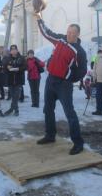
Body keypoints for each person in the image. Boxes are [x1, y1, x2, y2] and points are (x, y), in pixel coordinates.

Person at [33, 11, 87, 155]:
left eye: (72, 33)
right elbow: (47, 33)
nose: (69, 35)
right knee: (48, 110)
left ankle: (78, 143)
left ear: (77, 35)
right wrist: (39, 19)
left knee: (70, 113)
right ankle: (50, 135)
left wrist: (69, 77)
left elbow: (82, 71)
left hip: (64, 85)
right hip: (51, 80)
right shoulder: (60, 40)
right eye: (68, 32)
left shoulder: (79, 51)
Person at [3, 44, 26, 116]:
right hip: (10, 80)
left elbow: (25, 67)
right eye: (12, 50)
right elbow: (4, 69)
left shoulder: (21, 58)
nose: (13, 51)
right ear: (10, 51)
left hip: (19, 80)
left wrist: (19, 69)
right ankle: (15, 110)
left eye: (14, 49)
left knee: (16, 96)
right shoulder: (7, 59)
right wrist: (7, 67)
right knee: (13, 96)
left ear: (17, 50)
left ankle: (12, 109)